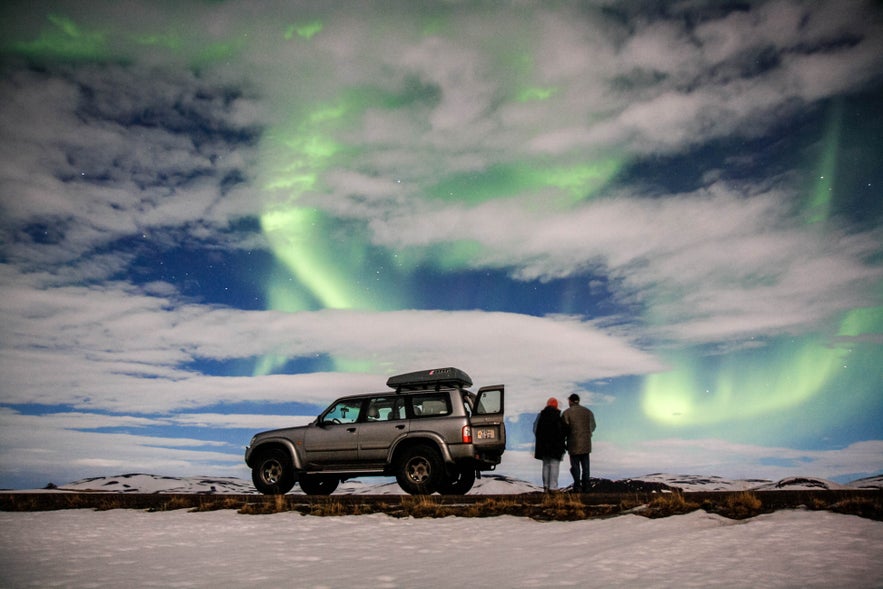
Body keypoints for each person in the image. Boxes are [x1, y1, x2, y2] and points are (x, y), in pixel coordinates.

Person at [562, 393, 596, 493]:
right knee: (586, 467)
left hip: (573, 443)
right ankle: (587, 486)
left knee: (575, 466)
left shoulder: (566, 413)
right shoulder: (588, 412)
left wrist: (565, 439)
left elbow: (564, 429)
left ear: (570, 401)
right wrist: (586, 434)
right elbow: (593, 426)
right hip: (586, 443)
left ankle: (577, 486)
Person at [533, 397, 566, 492]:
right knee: (554, 465)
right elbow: (561, 431)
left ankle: (546, 486)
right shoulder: (557, 415)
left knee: (546, 465)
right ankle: (553, 487)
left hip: (543, 445)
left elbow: (535, 429)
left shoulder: (541, 415)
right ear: (556, 405)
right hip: (555, 445)